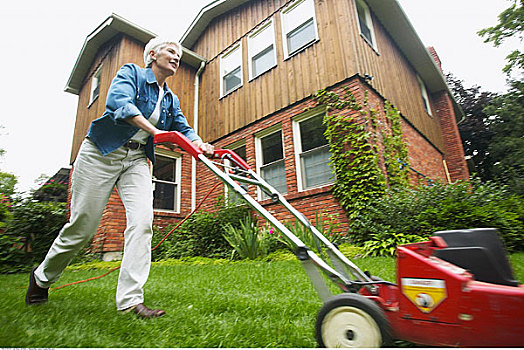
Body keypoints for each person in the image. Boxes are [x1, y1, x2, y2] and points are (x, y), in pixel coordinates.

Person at [25, 37, 214, 318]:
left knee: (142, 222)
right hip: (101, 153)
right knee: (83, 227)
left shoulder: (170, 99)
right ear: (152, 54)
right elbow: (119, 104)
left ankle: (130, 301)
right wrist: (154, 131)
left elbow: (184, 128)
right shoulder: (132, 73)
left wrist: (200, 144)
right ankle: (42, 278)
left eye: (179, 54)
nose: (177, 57)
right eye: (171, 51)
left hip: (136, 159)